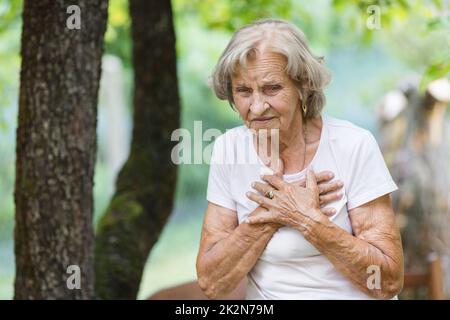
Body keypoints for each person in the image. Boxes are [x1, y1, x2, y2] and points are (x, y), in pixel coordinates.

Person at [196, 18, 404, 299]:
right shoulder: (228, 150)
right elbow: (212, 283)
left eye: (272, 88)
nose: (256, 107)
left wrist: (308, 220)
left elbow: (387, 281)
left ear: (303, 86)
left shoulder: (353, 145)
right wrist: (274, 210)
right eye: (243, 91)